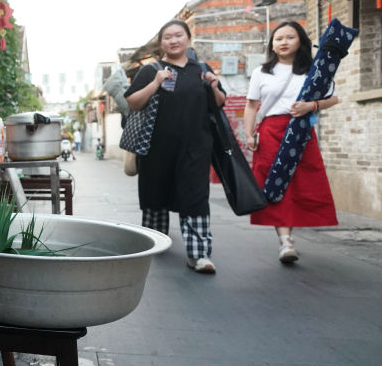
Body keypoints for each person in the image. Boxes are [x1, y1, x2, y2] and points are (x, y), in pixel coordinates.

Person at [124, 19, 226, 273]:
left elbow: (220, 103)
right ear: (161, 43)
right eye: (167, 37)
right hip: (156, 149)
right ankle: (155, 243)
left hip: (195, 147)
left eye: (178, 35)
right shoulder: (151, 70)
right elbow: (133, 103)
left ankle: (199, 254)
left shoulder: (201, 69)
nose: (173, 40)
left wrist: (213, 86)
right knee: (155, 196)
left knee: (195, 198)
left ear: (188, 38)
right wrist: (156, 82)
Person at [242, 21, 338, 263]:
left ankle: (288, 237)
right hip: (271, 131)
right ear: (272, 45)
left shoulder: (312, 70)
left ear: (300, 41)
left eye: (289, 37)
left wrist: (310, 106)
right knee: (275, 183)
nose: (283, 42)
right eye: (278, 38)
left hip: (301, 130)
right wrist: (249, 133)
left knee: (301, 182)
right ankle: (285, 241)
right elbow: (252, 105)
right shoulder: (261, 72)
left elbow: (333, 98)